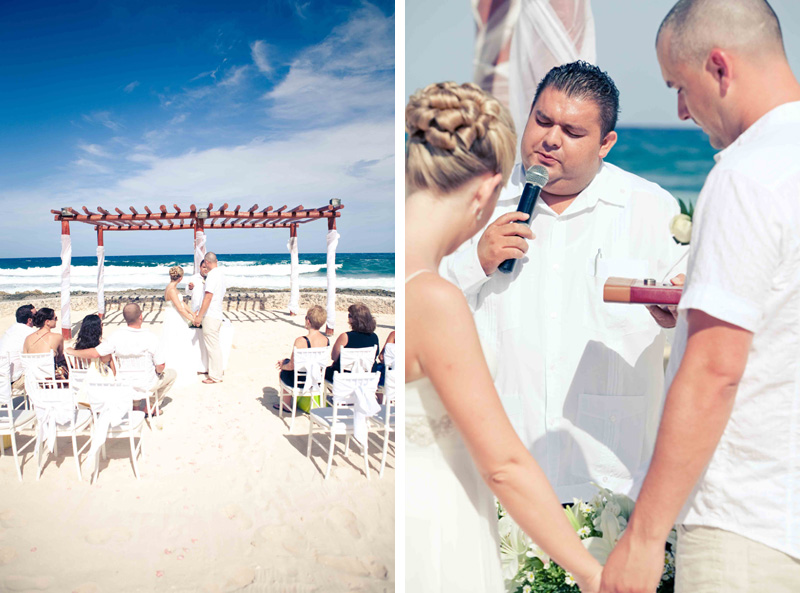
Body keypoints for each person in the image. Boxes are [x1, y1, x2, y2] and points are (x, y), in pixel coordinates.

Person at [601, 2, 800, 592]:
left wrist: (642, 538)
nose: (681, 111)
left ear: (719, 67)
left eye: (679, 87)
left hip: (744, 518)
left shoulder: (746, 173)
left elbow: (715, 370)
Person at [442, 61, 687, 502]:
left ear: (605, 143)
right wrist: (474, 260)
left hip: (609, 472)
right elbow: (423, 303)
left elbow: (691, 304)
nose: (550, 139)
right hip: (498, 464)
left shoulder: (650, 207)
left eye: (572, 132)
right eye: (542, 121)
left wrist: (676, 304)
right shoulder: (474, 202)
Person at [406, 81, 602, 592]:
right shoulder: (434, 297)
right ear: (486, 191)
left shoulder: (409, 286)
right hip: (440, 525)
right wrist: (590, 573)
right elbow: (504, 466)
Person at [78, 303, 176, 414]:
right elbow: (161, 366)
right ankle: (151, 407)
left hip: (124, 384)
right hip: (145, 384)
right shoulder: (151, 337)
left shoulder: (116, 336)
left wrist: (73, 351)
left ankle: (135, 407)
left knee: (134, 376)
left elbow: (96, 353)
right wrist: (157, 372)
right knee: (172, 374)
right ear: (141, 316)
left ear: (125, 318)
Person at [275, 305, 329, 412]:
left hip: (299, 381)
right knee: (287, 362)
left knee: (284, 369)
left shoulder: (301, 341)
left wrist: (282, 365)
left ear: (308, 321)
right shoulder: (326, 340)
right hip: (316, 379)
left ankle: (286, 404)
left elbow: (291, 366)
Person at [162, 265, 204, 384]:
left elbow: (182, 303)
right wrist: (191, 319)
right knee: (176, 340)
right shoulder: (171, 289)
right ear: (180, 278)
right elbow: (179, 308)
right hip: (174, 317)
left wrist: (192, 312)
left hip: (177, 315)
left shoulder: (173, 287)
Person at [324, 302, 380, 383]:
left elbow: (334, 357)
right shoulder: (374, 337)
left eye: (349, 316)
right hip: (366, 377)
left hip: (345, 377)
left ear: (354, 319)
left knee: (326, 372)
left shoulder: (345, 337)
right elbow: (375, 356)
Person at [194, 252, 226, 384]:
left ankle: (215, 376)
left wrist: (199, 316)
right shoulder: (221, 274)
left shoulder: (212, 276)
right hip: (217, 313)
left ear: (206, 262)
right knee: (214, 346)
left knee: (213, 347)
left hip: (211, 314)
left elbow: (208, 297)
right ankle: (216, 371)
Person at [0, 304, 36, 393]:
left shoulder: (10, 329)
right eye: (36, 315)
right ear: (29, 320)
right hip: (14, 379)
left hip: (3, 377)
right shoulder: (30, 333)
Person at [22, 307, 67, 379]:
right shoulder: (57, 337)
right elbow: (59, 357)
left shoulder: (28, 338)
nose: (57, 320)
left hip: (33, 379)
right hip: (50, 379)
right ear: (47, 322)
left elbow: (25, 359)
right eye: (55, 318)